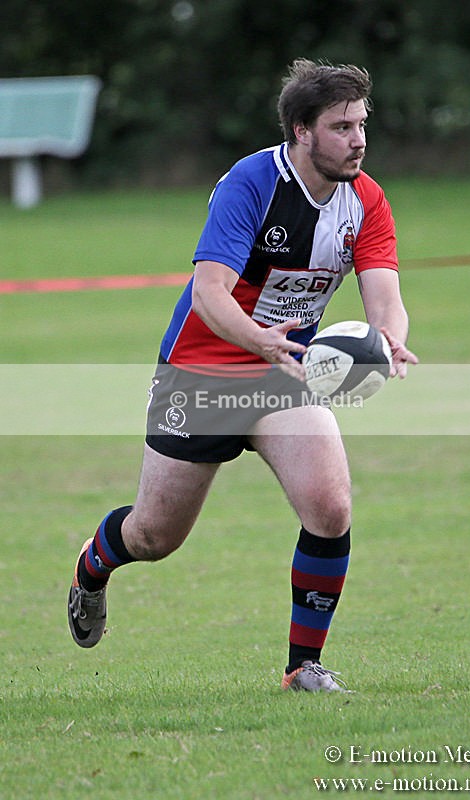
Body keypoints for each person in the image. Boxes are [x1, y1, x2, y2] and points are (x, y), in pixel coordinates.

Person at [68, 58, 418, 693]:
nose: (358, 140)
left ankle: (302, 667)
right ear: (301, 130)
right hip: (200, 373)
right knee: (154, 536)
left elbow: (385, 295)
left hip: (284, 374)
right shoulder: (252, 183)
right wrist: (258, 339)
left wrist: (389, 339)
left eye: (362, 125)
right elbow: (210, 294)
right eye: (341, 127)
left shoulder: (366, 200)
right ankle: (93, 566)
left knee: (330, 506)